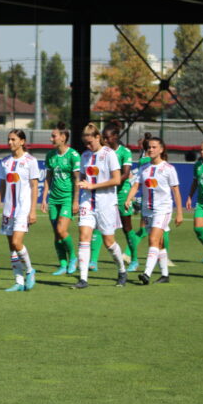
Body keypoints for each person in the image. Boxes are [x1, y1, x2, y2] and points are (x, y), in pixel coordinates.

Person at [73, 123, 127, 289]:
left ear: (98, 137)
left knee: (109, 242)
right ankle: (83, 279)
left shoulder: (109, 154)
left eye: (90, 142)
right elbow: (81, 179)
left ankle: (122, 270)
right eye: (85, 143)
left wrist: (92, 186)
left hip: (106, 203)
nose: (88, 146)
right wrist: (77, 197)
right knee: (84, 236)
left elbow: (117, 180)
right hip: (87, 201)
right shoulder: (85, 156)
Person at [124, 137, 183, 285]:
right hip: (147, 210)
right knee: (159, 243)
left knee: (153, 240)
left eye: (154, 147)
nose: (150, 149)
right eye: (149, 147)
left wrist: (180, 213)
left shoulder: (169, 169)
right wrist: (128, 199)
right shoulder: (144, 168)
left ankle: (146, 273)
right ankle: (164, 275)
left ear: (161, 149)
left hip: (162, 210)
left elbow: (176, 191)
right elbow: (136, 186)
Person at [0, 130, 39, 291]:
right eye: (8, 139)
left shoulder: (30, 161)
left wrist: (33, 210)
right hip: (8, 209)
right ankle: (18, 281)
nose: (10, 142)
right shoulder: (5, 162)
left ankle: (30, 270)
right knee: (11, 246)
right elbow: (2, 186)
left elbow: (34, 187)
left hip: (23, 208)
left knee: (17, 242)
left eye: (13, 139)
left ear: (22, 141)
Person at [40, 122, 80, 276]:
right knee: (56, 233)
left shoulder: (73, 155)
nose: (51, 139)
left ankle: (73, 258)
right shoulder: (50, 155)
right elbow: (48, 177)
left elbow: (77, 180)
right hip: (54, 199)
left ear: (63, 138)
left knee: (61, 230)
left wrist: (75, 201)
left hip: (67, 198)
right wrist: (44, 198)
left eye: (54, 136)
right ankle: (62, 264)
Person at [102, 122, 140, 272]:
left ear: (115, 137)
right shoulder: (103, 152)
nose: (105, 140)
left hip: (122, 193)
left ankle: (134, 260)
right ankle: (92, 261)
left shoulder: (125, 152)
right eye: (103, 138)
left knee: (127, 227)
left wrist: (111, 182)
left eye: (107, 138)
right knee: (101, 226)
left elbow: (125, 174)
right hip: (106, 192)